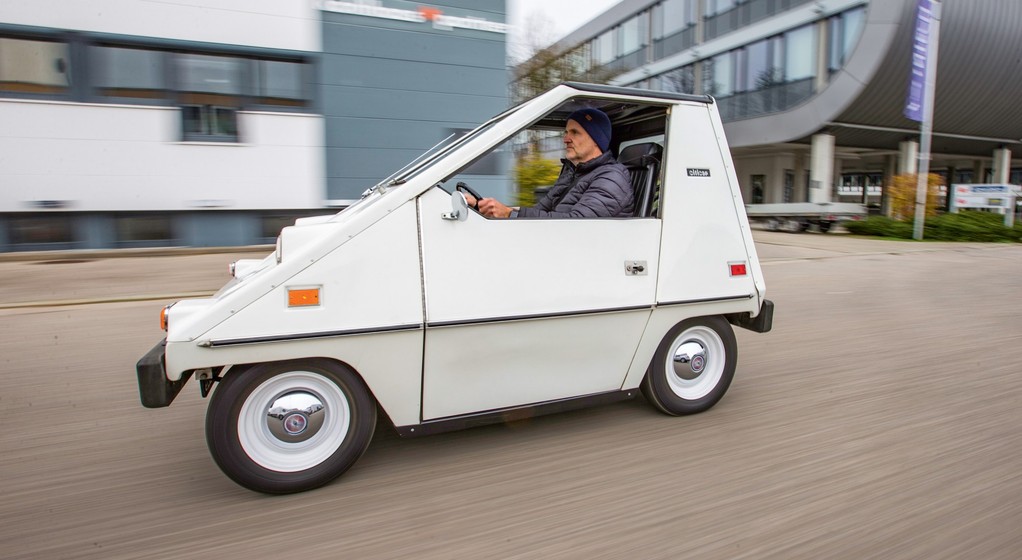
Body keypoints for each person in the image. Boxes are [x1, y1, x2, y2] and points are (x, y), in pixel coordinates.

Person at [464, 108, 633, 219]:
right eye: (566, 132)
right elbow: (540, 212)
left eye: (575, 132)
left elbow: (577, 225)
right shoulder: (572, 173)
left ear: (597, 140)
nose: (566, 139)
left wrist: (508, 214)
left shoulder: (611, 177)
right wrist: (488, 207)